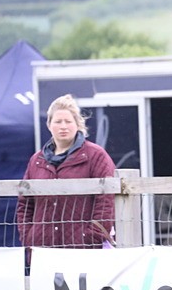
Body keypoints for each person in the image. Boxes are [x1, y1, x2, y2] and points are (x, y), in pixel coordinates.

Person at [17, 94, 116, 248]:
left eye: (68, 121)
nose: (63, 126)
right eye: (58, 121)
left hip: (82, 249)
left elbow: (106, 201)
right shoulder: (36, 160)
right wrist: (29, 236)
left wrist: (92, 237)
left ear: (77, 124)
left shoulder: (96, 156)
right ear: (49, 125)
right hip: (42, 248)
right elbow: (25, 203)